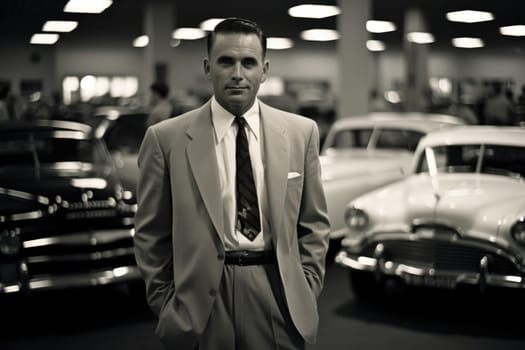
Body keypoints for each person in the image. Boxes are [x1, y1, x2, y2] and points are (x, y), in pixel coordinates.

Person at [133, 17, 330, 350]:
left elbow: (314, 225)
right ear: (209, 67)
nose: (238, 73)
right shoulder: (166, 139)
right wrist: (167, 304)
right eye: (226, 61)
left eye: (248, 62)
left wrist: (306, 287)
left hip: (277, 291)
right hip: (201, 303)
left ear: (264, 70)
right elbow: (151, 235)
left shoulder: (301, 133)